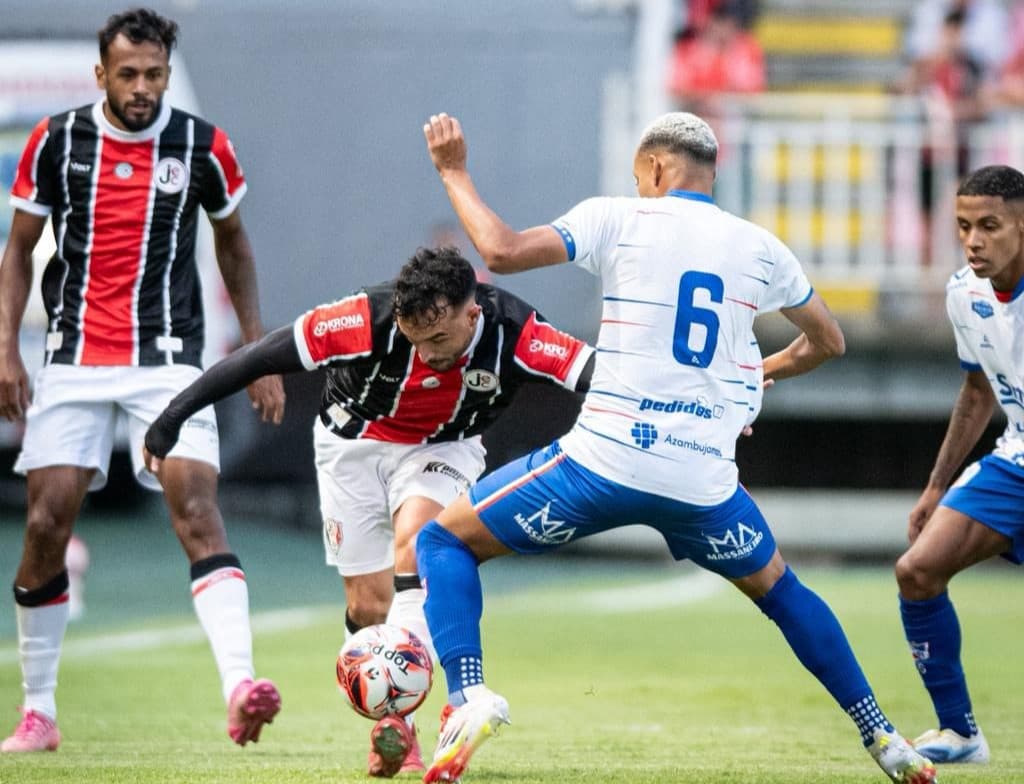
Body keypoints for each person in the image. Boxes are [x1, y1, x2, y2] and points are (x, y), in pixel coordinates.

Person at [414, 111, 939, 784]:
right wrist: (763, 373)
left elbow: (502, 252)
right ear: (710, 172)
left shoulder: (621, 218)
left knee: (444, 541)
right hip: (701, 484)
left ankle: (469, 698)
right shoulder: (760, 247)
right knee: (782, 592)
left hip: (600, 464)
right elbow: (829, 342)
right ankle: (884, 737)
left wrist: (453, 170)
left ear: (656, 169)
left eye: (641, 177)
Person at [142, 246, 596, 777]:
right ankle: (393, 725)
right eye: (413, 340)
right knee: (367, 605)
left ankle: (420, 722)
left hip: (444, 448)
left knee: (417, 545)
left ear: (472, 313)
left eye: (439, 340)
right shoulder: (363, 317)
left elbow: (599, 375)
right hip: (349, 446)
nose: (425, 355)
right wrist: (172, 417)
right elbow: (262, 355)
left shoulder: (517, 332)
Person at [0, 8, 286, 752]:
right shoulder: (57, 141)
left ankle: (240, 687)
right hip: (75, 359)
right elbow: (19, 253)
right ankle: (39, 711)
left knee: (195, 508)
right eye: (126, 74)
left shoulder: (202, 146)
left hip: (170, 362)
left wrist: (257, 355)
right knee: (45, 524)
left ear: (166, 72)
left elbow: (236, 247)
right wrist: (5, 351)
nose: (141, 87)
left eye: (153, 74)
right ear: (102, 73)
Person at [895, 164, 1024, 765]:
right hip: (1014, 463)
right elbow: (978, 393)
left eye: (990, 226)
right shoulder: (963, 294)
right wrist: (935, 486)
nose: (973, 240)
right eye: (964, 226)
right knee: (917, 571)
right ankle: (961, 733)